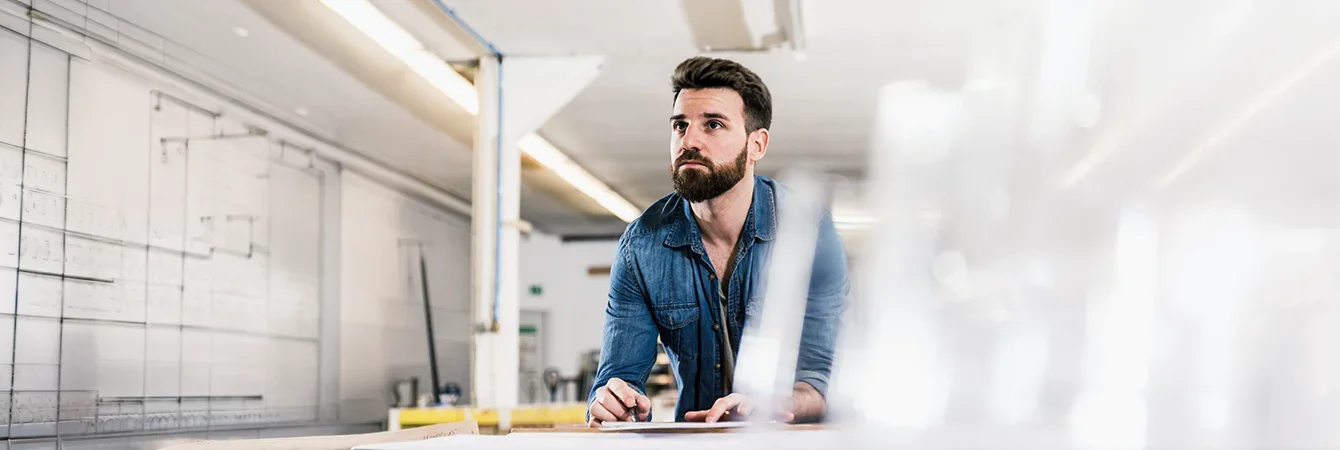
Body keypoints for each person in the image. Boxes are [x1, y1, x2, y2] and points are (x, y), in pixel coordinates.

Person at [586, 56, 849, 426]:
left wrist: (769, 403)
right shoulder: (642, 245)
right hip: (698, 439)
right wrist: (612, 402)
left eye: (713, 124)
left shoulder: (808, 231)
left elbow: (823, 382)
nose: (689, 140)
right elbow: (617, 376)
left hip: (789, 440)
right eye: (680, 125)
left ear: (757, 144)